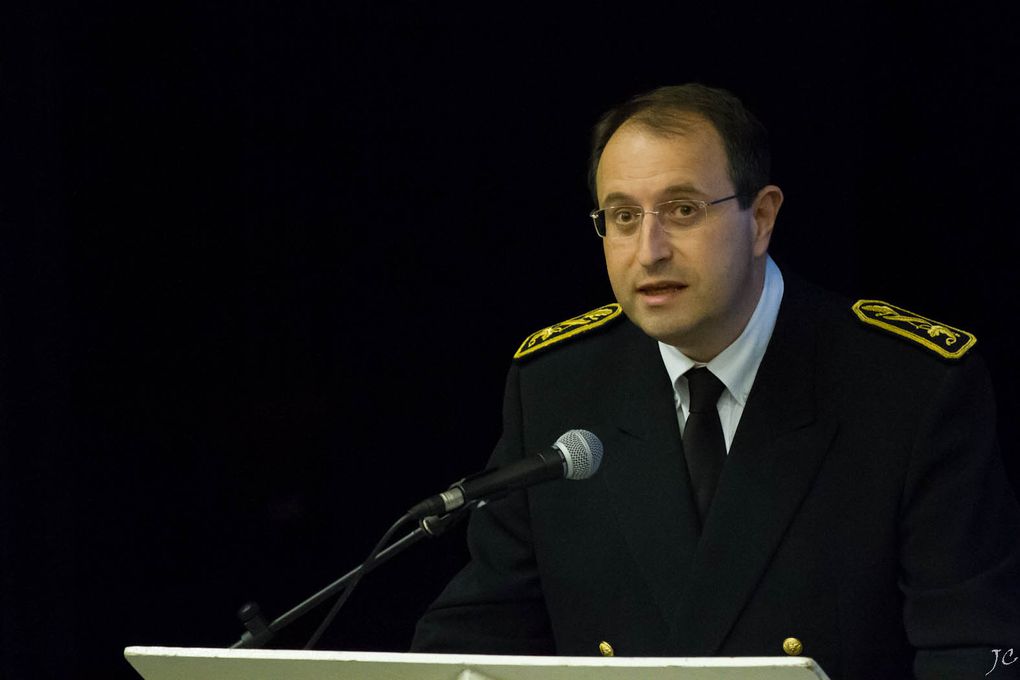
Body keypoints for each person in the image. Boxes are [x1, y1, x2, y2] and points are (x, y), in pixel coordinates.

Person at [410, 84, 1020, 680]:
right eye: (623, 216)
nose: (649, 251)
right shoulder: (558, 384)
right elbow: (477, 635)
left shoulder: (908, 387)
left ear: (761, 218)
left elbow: (971, 647)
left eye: (682, 210)